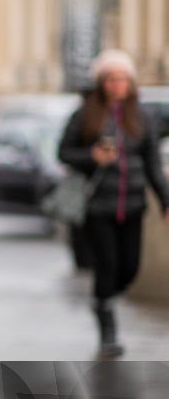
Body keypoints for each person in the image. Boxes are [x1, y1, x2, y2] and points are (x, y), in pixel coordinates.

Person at [57, 49, 169, 357]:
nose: (118, 84)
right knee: (107, 266)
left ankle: (103, 299)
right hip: (98, 206)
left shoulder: (142, 117)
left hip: (133, 205)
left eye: (124, 78)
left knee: (130, 267)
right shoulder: (84, 115)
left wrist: (164, 200)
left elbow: (153, 165)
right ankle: (107, 330)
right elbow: (63, 153)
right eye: (112, 78)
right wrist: (91, 156)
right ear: (102, 82)